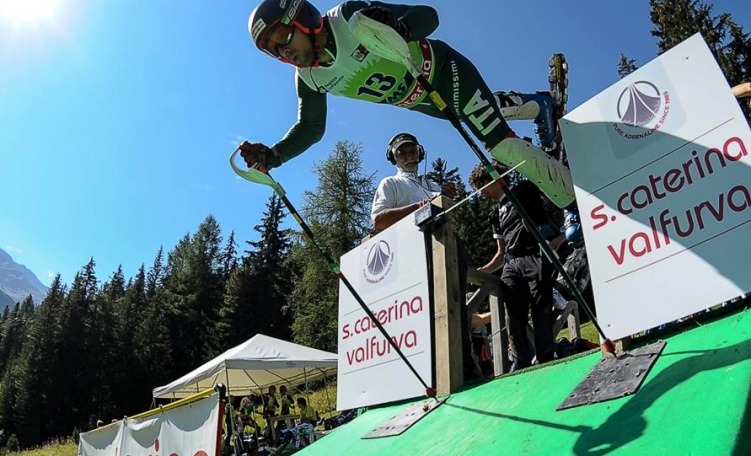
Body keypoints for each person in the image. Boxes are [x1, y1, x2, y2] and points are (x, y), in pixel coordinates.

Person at [241, 0, 576, 211]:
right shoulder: (309, 79)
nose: (284, 52)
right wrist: (275, 155)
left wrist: (401, 26)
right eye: (274, 50)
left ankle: (573, 200)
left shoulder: (348, 18)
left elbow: (428, 16)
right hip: (423, 101)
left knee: (498, 144)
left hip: (442, 69)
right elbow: (311, 127)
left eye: (283, 37)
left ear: (302, 17)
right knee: (481, 111)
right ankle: (538, 106)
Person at [371, 132, 482, 381]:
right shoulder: (390, 183)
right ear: (393, 158)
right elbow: (378, 220)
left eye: (412, 150)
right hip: (416, 252)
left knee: (456, 304)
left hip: (449, 244)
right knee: (426, 310)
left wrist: (446, 196)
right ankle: (430, 373)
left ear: (420, 153)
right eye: (402, 152)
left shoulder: (431, 184)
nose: (408, 155)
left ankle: (466, 367)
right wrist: (419, 207)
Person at [469, 161, 566, 369]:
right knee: (512, 315)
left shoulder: (524, 190)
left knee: (541, 309)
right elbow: (501, 252)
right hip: (511, 263)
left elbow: (550, 209)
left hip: (534, 253)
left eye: (481, 186)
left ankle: (546, 358)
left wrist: (562, 235)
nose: (481, 193)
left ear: (494, 179)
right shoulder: (495, 214)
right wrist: (481, 271)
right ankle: (521, 362)